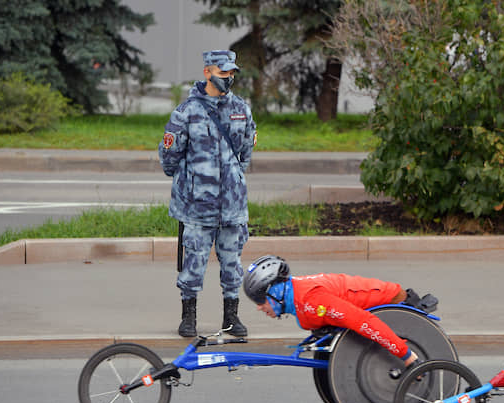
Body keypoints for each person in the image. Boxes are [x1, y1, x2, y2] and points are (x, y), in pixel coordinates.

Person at [159, 50, 257, 337]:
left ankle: (231, 318)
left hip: (232, 204)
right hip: (197, 205)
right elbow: (169, 155)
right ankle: (189, 317)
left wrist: (232, 177)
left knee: (232, 263)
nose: (229, 78)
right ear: (207, 72)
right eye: (223, 72)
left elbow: (246, 152)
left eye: (231, 73)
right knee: (194, 263)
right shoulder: (187, 111)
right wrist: (190, 181)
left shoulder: (241, 108)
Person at [243, 255, 432, 365]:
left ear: (276, 290)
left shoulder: (312, 301)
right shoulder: (297, 298)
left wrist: (405, 355)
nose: (259, 307)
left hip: (391, 300)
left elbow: (362, 321)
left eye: (261, 299)